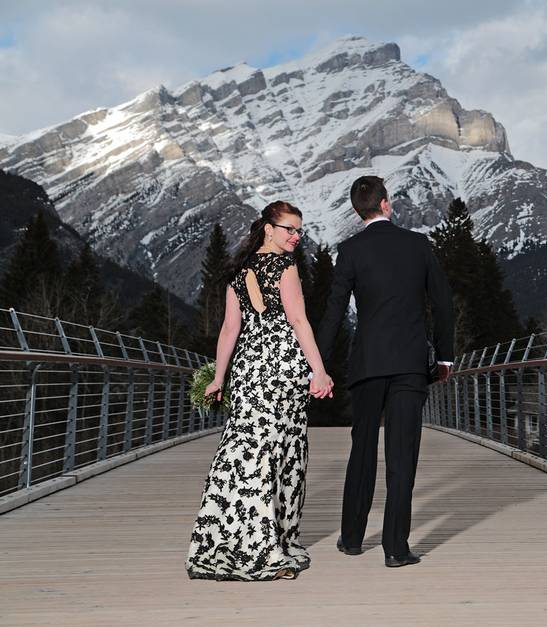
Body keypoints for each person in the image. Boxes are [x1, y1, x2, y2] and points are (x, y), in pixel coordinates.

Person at [185, 201, 334, 581]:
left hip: (250, 370)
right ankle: (270, 544)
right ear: (268, 228)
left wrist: (220, 377)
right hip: (283, 368)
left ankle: (222, 541)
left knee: (243, 452)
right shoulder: (285, 267)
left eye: (299, 231)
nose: (295, 237)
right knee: (282, 452)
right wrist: (319, 371)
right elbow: (298, 320)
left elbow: (229, 330)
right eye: (289, 229)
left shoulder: (238, 271)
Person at [315, 175, 454, 568]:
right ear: (386, 204)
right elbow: (443, 304)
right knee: (401, 454)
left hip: (368, 365)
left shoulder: (350, 250)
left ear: (359, 212)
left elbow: (334, 312)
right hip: (410, 364)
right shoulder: (418, 245)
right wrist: (445, 358)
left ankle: (352, 538)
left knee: (362, 451)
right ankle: (396, 548)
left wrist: (318, 363)